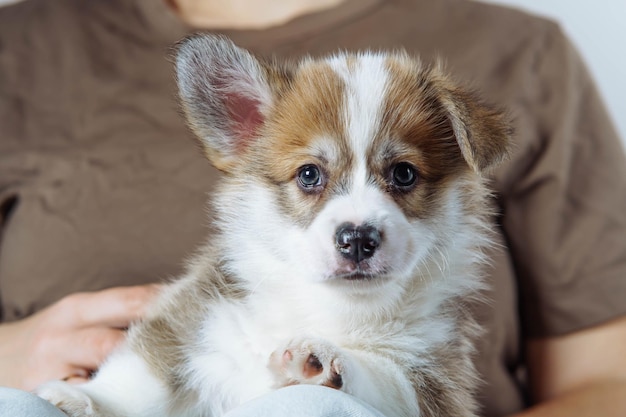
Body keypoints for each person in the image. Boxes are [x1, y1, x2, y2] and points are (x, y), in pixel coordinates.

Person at [1, 0, 625, 416]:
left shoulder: (526, 49)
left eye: (402, 174)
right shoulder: (23, 45)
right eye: (310, 176)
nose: (357, 223)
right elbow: (163, 350)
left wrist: (348, 382)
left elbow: (609, 382)